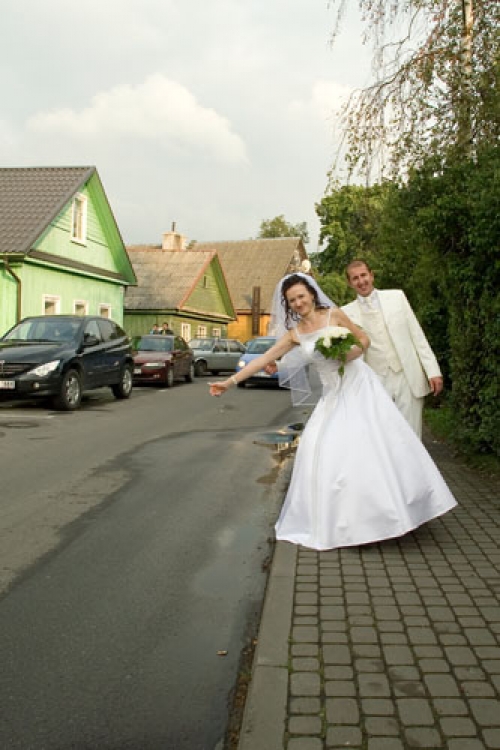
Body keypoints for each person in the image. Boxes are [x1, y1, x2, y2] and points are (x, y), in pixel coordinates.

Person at [209, 273, 456, 551]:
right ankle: (346, 522)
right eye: (292, 301)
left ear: (312, 295)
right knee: (320, 449)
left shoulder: (335, 316)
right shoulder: (295, 334)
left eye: (301, 296)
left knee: (376, 448)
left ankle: (394, 515)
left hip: (361, 387)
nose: (299, 303)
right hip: (333, 395)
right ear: (289, 306)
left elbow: (363, 340)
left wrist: (350, 352)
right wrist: (229, 382)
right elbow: (265, 359)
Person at [342, 259, 443, 438]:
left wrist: (433, 371)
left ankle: (413, 467)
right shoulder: (346, 313)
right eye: (355, 278)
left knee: (412, 436)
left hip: (406, 375)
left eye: (364, 275)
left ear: (371, 275)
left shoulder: (397, 297)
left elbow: (416, 335)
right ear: (350, 283)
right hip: (375, 379)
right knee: (384, 438)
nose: (361, 281)